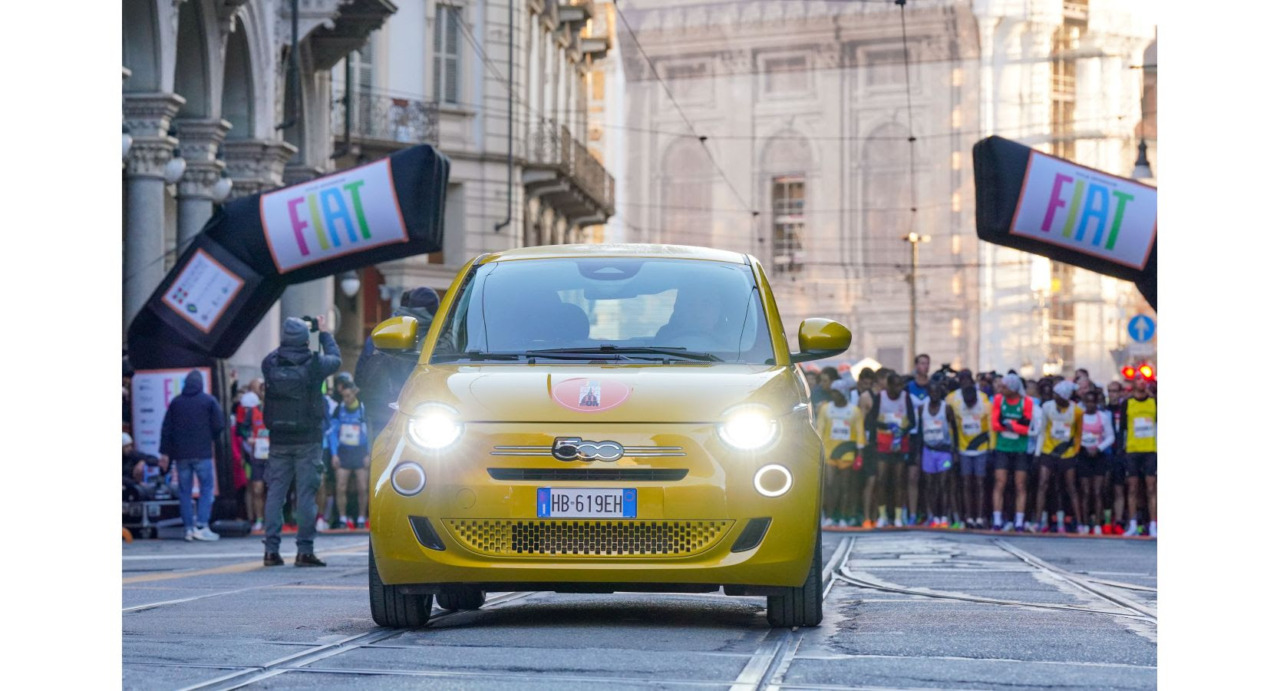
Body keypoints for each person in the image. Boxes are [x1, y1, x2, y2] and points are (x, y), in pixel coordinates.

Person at [261, 316, 342, 567]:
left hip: (278, 439)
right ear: (306, 339)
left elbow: (281, 352)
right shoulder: (316, 363)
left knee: (276, 494)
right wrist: (324, 333)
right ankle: (304, 551)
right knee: (306, 495)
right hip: (308, 438)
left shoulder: (270, 362)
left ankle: (271, 552)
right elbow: (336, 358)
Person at [356, 287, 439, 437]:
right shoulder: (437, 336)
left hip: (378, 413)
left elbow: (360, 375)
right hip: (419, 415)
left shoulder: (382, 332)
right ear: (434, 310)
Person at [158, 371, 225, 542]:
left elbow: (167, 429)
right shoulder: (209, 401)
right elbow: (219, 425)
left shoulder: (176, 402)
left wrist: (166, 452)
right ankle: (202, 525)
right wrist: (210, 437)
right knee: (206, 489)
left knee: (184, 492)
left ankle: (188, 528)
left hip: (181, 455)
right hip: (202, 452)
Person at [1036, 380, 1085, 534]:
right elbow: (1042, 430)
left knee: (1070, 487)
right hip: (1048, 451)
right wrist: (1038, 453)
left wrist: (1075, 452)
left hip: (1067, 453)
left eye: (1058, 396)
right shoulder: (1047, 407)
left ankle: (1079, 523)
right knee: (1043, 484)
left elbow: (1078, 435)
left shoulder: (1077, 411)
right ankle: (1038, 521)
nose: (1055, 397)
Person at [868, 372, 917, 528]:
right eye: (896, 385)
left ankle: (897, 516)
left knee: (898, 481)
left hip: (899, 444)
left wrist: (901, 431)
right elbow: (871, 420)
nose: (899, 388)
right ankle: (882, 516)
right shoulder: (880, 397)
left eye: (901, 385)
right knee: (882, 480)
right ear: (888, 385)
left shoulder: (905, 397)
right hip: (883, 444)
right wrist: (887, 426)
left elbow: (912, 422)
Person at [990, 373, 1035, 532]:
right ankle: (997, 519)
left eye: (1004, 387)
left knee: (1020, 484)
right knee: (1000, 482)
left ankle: (1019, 521)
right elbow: (995, 424)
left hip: (1020, 448)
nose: (1000, 389)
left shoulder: (1026, 402)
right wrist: (1015, 425)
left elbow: (1027, 427)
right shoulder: (998, 400)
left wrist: (1010, 425)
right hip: (1002, 447)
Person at [948, 373, 991, 529]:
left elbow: (990, 426)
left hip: (981, 448)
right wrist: (955, 449)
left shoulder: (984, 400)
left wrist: (990, 447)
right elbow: (952, 427)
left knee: (980, 482)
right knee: (966, 483)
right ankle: (968, 516)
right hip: (963, 449)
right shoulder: (953, 400)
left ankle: (979, 517)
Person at [818, 379, 863, 527]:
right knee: (830, 486)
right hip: (829, 453)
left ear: (844, 393)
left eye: (837, 393)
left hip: (847, 454)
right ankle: (829, 516)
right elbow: (820, 430)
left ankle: (843, 517)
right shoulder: (825, 409)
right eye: (833, 392)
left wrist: (860, 455)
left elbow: (859, 433)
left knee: (845, 487)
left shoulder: (854, 411)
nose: (834, 395)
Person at [329, 376, 371, 530]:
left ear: (354, 394)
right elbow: (333, 433)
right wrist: (334, 454)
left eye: (348, 396)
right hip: (344, 451)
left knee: (362, 486)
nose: (346, 399)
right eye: (343, 396)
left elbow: (369, 433)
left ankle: (361, 517)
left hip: (360, 452)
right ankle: (342, 518)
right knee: (341, 486)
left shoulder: (363, 409)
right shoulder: (338, 410)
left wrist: (368, 453)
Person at [1119, 378, 1157, 537]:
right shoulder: (1127, 403)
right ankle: (1133, 523)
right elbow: (1122, 428)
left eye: (1144, 381)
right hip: (1133, 449)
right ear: (1133, 384)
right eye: (1138, 380)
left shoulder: (1155, 402)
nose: (1141, 383)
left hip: (1150, 449)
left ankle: (1154, 524)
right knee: (1133, 488)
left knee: (1151, 488)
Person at [919, 382, 958, 527]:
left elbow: (955, 430)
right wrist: (918, 453)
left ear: (940, 393)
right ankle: (933, 515)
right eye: (932, 392)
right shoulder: (922, 408)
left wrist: (955, 451)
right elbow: (919, 432)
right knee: (930, 485)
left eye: (937, 392)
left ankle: (944, 516)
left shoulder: (946, 408)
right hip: (928, 451)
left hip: (944, 452)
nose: (934, 394)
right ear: (928, 392)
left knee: (944, 484)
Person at [1076, 389, 1115, 535]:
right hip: (1083, 455)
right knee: (1085, 492)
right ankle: (1086, 524)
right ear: (1084, 403)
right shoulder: (1080, 416)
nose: (1090, 404)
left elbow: (1110, 437)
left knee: (1098, 492)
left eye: (1093, 402)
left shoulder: (1103, 417)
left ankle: (1098, 524)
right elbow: (1075, 434)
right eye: (1088, 402)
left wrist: (1098, 448)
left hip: (1098, 456)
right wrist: (1083, 447)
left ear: (1097, 403)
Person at [235, 392, 269, 533]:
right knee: (257, 488)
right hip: (258, 455)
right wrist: (248, 437)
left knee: (274, 490)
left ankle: (272, 519)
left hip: (275, 456)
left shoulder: (281, 411)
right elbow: (240, 428)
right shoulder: (253, 411)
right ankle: (259, 519)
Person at [903, 354, 931, 525]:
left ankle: (927, 513)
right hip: (912, 435)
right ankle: (911, 513)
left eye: (927, 363)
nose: (925, 366)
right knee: (912, 476)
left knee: (928, 477)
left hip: (929, 435)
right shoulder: (908, 387)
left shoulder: (933, 386)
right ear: (915, 365)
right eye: (921, 363)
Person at [1104, 380, 1128, 534]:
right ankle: (1106, 520)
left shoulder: (1125, 409)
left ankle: (1118, 521)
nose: (1113, 394)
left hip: (1121, 453)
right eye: (1110, 391)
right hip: (1106, 453)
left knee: (1119, 489)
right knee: (1105, 489)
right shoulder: (1104, 410)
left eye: (1115, 391)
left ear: (1120, 393)